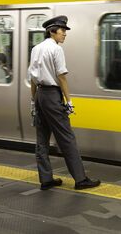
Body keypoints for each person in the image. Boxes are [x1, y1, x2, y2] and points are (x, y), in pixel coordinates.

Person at [28, 15, 100, 191]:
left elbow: (32, 78)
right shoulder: (56, 49)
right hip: (52, 96)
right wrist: (69, 101)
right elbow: (61, 77)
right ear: (52, 31)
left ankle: (45, 179)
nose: (65, 35)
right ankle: (80, 179)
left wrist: (33, 101)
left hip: (40, 96)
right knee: (67, 137)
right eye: (62, 31)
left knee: (42, 140)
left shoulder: (36, 48)